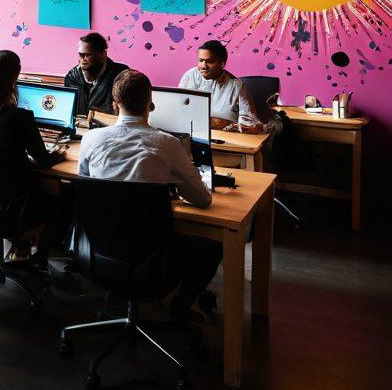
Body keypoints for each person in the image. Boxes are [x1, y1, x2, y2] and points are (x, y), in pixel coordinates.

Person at [78, 69, 221, 321]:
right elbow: (203, 199)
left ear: (114, 105)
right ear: (150, 104)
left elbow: (86, 183)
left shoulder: (90, 139)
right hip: (151, 260)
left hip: (97, 252)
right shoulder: (167, 143)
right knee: (212, 247)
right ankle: (181, 305)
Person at [0, 50, 67, 266]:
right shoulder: (20, 117)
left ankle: (21, 245)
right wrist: (59, 153)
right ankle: (40, 257)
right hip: (17, 206)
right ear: (15, 76)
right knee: (63, 196)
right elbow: (44, 161)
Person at [178, 40, 262, 131]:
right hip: (193, 132)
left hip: (225, 136)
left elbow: (250, 124)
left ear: (222, 63)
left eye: (210, 61)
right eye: (200, 60)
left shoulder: (236, 86)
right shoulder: (191, 76)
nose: (203, 66)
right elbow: (179, 109)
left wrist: (220, 123)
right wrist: (216, 122)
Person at [63, 31, 129, 117]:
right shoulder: (71, 78)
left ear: (103, 55)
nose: (82, 59)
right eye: (80, 54)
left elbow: (125, 113)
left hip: (109, 125)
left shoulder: (121, 76)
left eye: (87, 55)